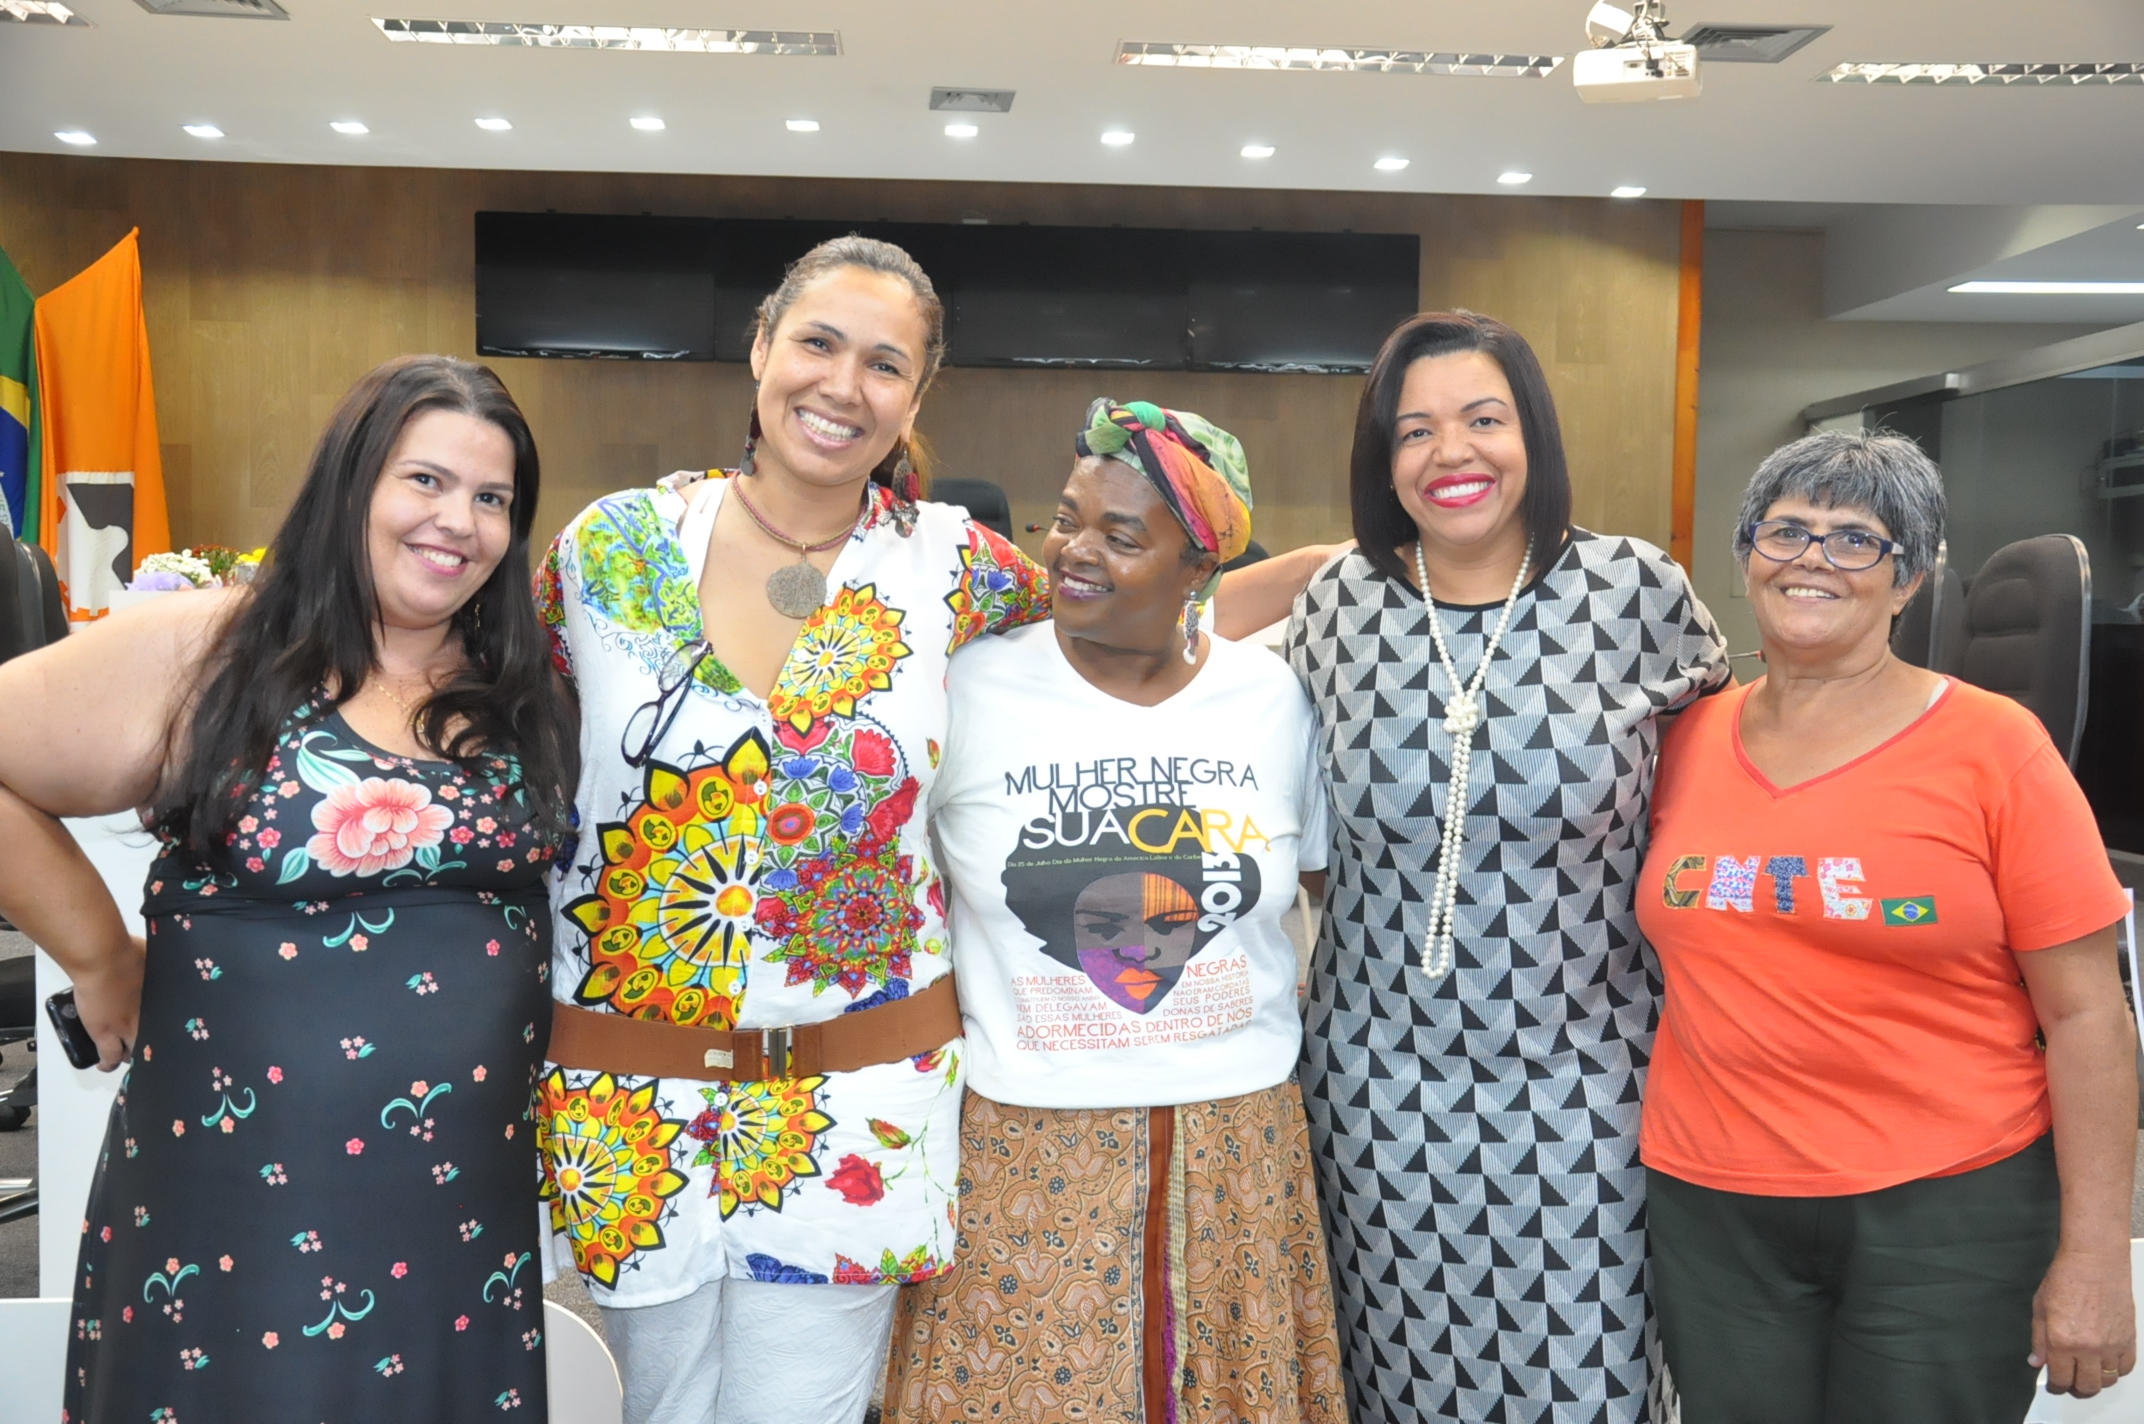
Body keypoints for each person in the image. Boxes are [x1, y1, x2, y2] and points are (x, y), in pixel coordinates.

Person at [533, 238, 1336, 1424]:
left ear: (916, 397)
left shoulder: (951, 567)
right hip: (627, 1091)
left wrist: (1364, 570)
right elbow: (495, 719)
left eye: (884, 363)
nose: (841, 384)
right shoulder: (607, 552)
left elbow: (1137, 595)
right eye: (816, 343)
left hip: (856, 1097)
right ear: (760, 349)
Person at [0, 355, 576, 1422]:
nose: (459, 519)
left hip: (456, 1215)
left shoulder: (518, 682)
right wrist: (97, 954)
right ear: (350, 485)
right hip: (238, 1206)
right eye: (426, 480)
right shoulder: (211, 647)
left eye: (492, 497)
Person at [1637, 430, 2139, 1421]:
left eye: (1854, 538)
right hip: (1713, 1205)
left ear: (1906, 580)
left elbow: (2088, 1015)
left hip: (1945, 1208)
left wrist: (2092, 1255)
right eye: (1785, 530)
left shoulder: (1993, 747)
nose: (1811, 557)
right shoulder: (1676, 740)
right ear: (1746, 559)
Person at [1286, 311, 1730, 1422]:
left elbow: (1732, 783)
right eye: (1414, 431)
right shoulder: (1337, 608)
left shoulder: (1634, 592)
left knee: (1592, 1376)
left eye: (1483, 419)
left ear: (1531, 430)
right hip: (1376, 1089)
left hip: (1588, 1083)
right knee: (1396, 1375)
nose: (1452, 454)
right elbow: (1191, 645)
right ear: (1380, 462)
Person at [886, 399, 1346, 1424]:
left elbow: (1315, 889)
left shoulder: (1270, 698)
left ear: (1198, 567)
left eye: (1120, 535)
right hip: (1023, 1148)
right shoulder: (968, 686)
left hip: (1237, 1144)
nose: (1071, 553)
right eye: (1067, 518)